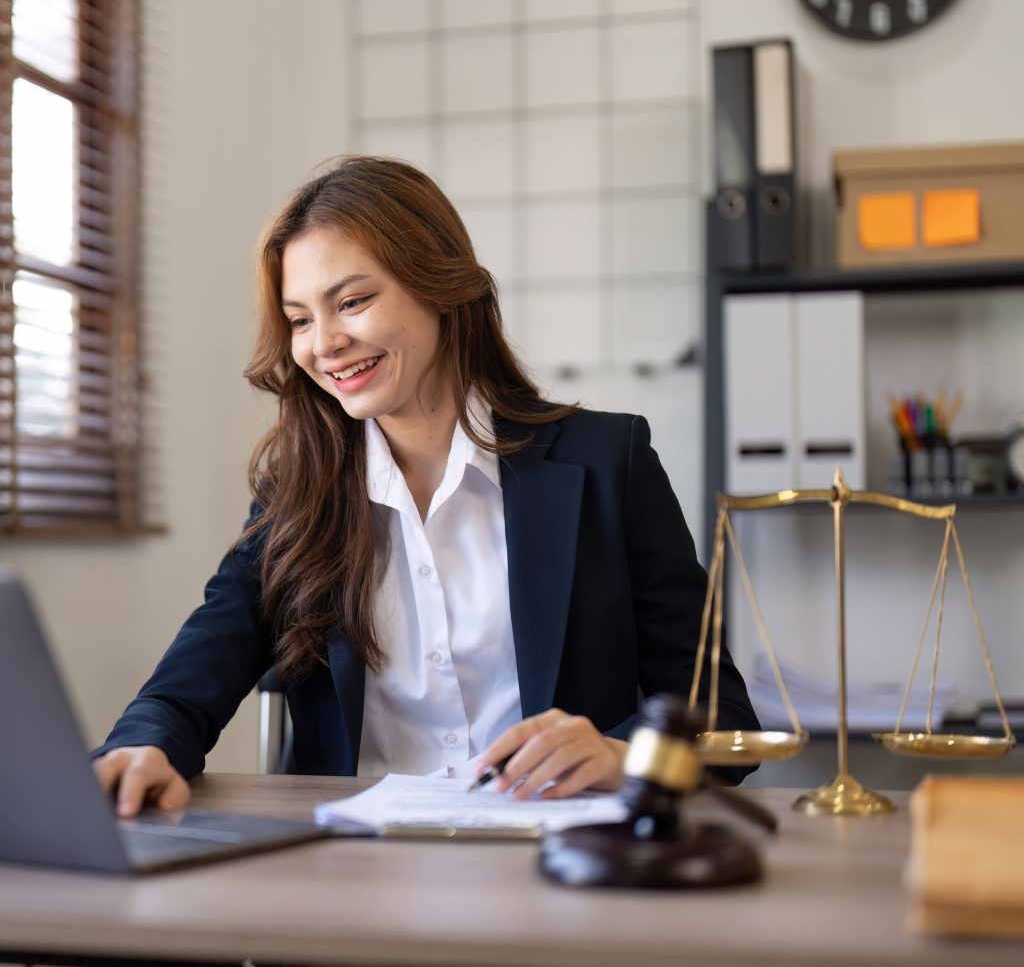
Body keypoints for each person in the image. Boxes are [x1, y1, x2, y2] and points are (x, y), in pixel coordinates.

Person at [93, 156, 759, 817]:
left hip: (554, 852)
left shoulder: (609, 461)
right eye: (299, 320)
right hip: (351, 860)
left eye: (352, 302)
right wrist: (143, 747)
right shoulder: (295, 494)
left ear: (439, 286)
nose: (324, 344)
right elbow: (186, 685)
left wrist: (623, 757)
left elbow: (721, 717)